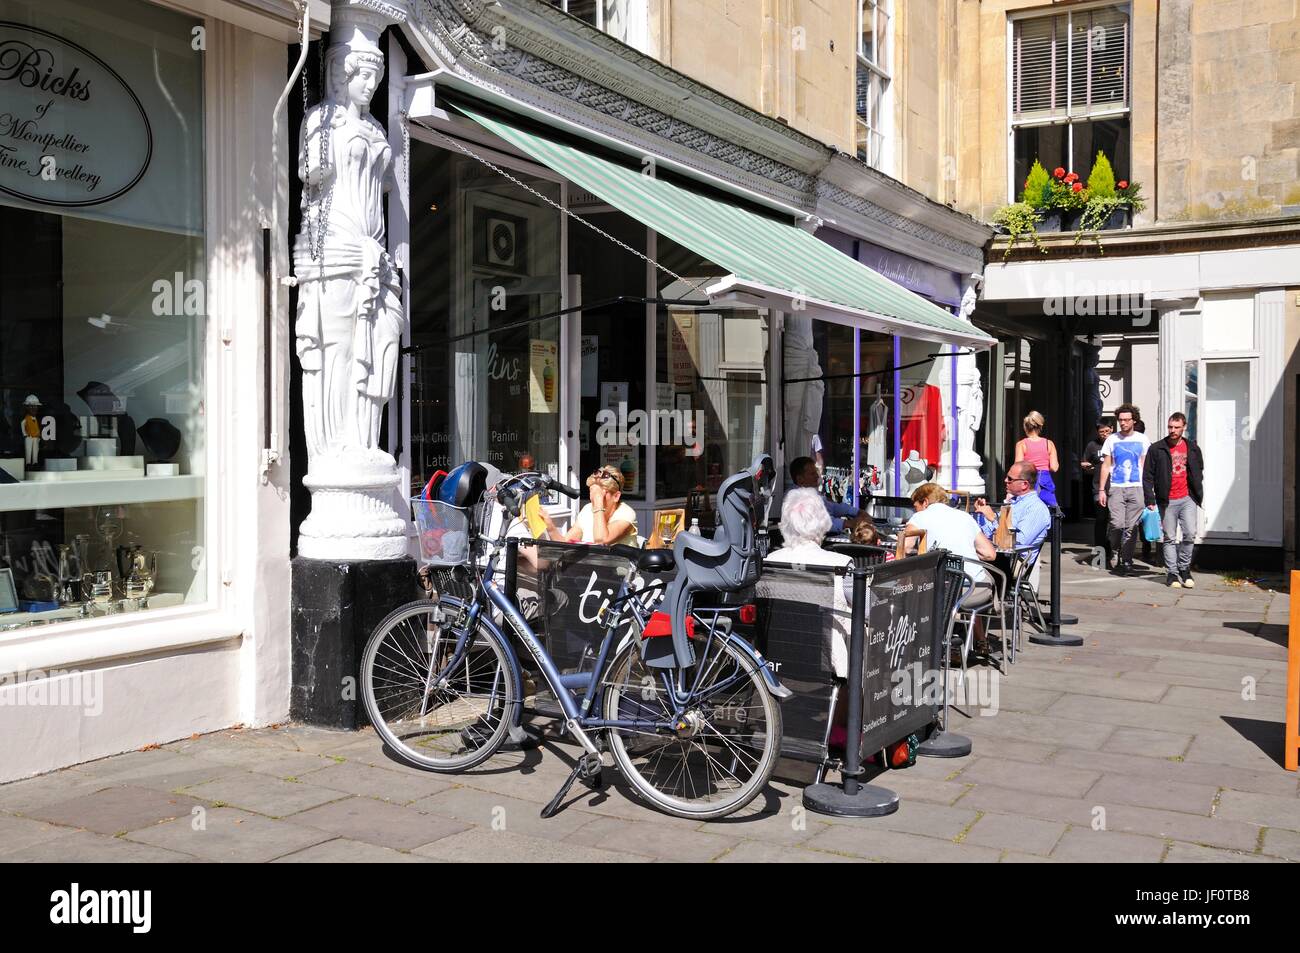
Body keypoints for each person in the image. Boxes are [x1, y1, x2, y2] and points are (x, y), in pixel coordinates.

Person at [764, 487, 854, 678]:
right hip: (825, 658)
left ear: (786, 524)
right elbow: (870, 607)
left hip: (777, 654)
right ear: (823, 522)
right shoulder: (840, 564)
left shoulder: (770, 561)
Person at [902, 483, 998, 655]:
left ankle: (936, 642)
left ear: (924, 502)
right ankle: (980, 640)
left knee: (922, 587)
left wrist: (921, 550)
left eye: (915, 507)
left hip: (940, 592)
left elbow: (905, 547)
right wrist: (964, 552)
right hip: (974, 593)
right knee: (972, 573)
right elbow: (990, 554)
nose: (915, 511)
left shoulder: (920, 518)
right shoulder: (965, 517)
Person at [1143, 412, 1204, 588]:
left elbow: (1199, 468)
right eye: (1170, 427)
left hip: (1187, 498)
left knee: (1190, 534)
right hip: (1166, 500)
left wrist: (1196, 489)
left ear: (1184, 427)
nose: (1173, 430)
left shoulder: (1192, 447)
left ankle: (1184, 569)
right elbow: (1147, 476)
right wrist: (1150, 499)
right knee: (1169, 537)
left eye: (1176, 427)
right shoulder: (1157, 448)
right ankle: (1172, 573)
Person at [1098, 403, 1150, 576]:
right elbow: (1106, 466)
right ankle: (1114, 549)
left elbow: (1145, 466)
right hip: (1117, 487)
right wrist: (1101, 490)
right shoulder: (1112, 439)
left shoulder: (1142, 439)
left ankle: (1127, 560)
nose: (1123, 423)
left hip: (1137, 487)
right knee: (1117, 524)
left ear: (1134, 420)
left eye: (1126, 420)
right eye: (1120, 420)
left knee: (1131, 526)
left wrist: (1149, 490)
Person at [540, 464, 638, 546]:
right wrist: (550, 526)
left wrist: (598, 503)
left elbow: (601, 540)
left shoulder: (626, 513)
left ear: (616, 496)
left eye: (601, 493)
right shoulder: (587, 510)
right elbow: (565, 544)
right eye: (592, 491)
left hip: (621, 568)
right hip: (593, 566)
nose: (594, 497)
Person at [973, 461, 1052, 558]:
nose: (1005, 480)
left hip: (1012, 562)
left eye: (1010, 479)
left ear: (1024, 484)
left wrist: (993, 518)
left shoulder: (1036, 508)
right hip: (997, 555)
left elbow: (1018, 542)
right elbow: (992, 533)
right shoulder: (1014, 503)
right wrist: (982, 514)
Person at [789, 455, 861, 534]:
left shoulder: (811, 494)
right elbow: (820, 522)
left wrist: (857, 512)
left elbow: (832, 507)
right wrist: (849, 523)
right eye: (812, 474)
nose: (817, 476)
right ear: (800, 479)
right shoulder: (796, 498)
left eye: (816, 472)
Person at [1082, 418, 1114, 567]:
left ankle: (1112, 550)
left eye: (1107, 431)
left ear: (1112, 429)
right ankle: (1100, 557)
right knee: (1101, 521)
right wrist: (1086, 465)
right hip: (1098, 488)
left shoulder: (1117, 442)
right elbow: (1084, 461)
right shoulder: (1092, 445)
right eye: (1101, 432)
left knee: (1115, 523)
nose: (1104, 434)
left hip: (1116, 488)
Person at [1014, 411, 1059, 506]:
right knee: (1049, 512)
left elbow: (1018, 468)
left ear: (1025, 427)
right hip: (1045, 481)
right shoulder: (1049, 444)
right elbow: (1054, 468)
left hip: (1029, 481)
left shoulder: (1021, 444)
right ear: (1040, 427)